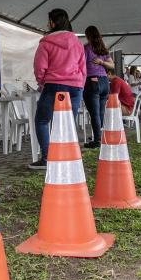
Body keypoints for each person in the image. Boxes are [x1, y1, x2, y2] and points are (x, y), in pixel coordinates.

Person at [31, 9, 86, 169]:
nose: (47, 24)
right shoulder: (77, 42)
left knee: (42, 120)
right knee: (67, 123)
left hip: (53, 84)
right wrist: (80, 84)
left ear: (53, 23)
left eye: (49, 21)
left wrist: (42, 83)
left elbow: (39, 67)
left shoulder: (46, 42)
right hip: (75, 86)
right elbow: (83, 68)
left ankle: (47, 159)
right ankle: (66, 158)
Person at [83, 25, 114, 149]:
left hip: (92, 81)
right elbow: (112, 65)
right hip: (105, 82)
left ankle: (97, 140)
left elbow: (81, 65)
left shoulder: (86, 48)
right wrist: (102, 62)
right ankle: (99, 135)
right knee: (100, 112)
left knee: (94, 114)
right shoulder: (103, 49)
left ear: (87, 36)